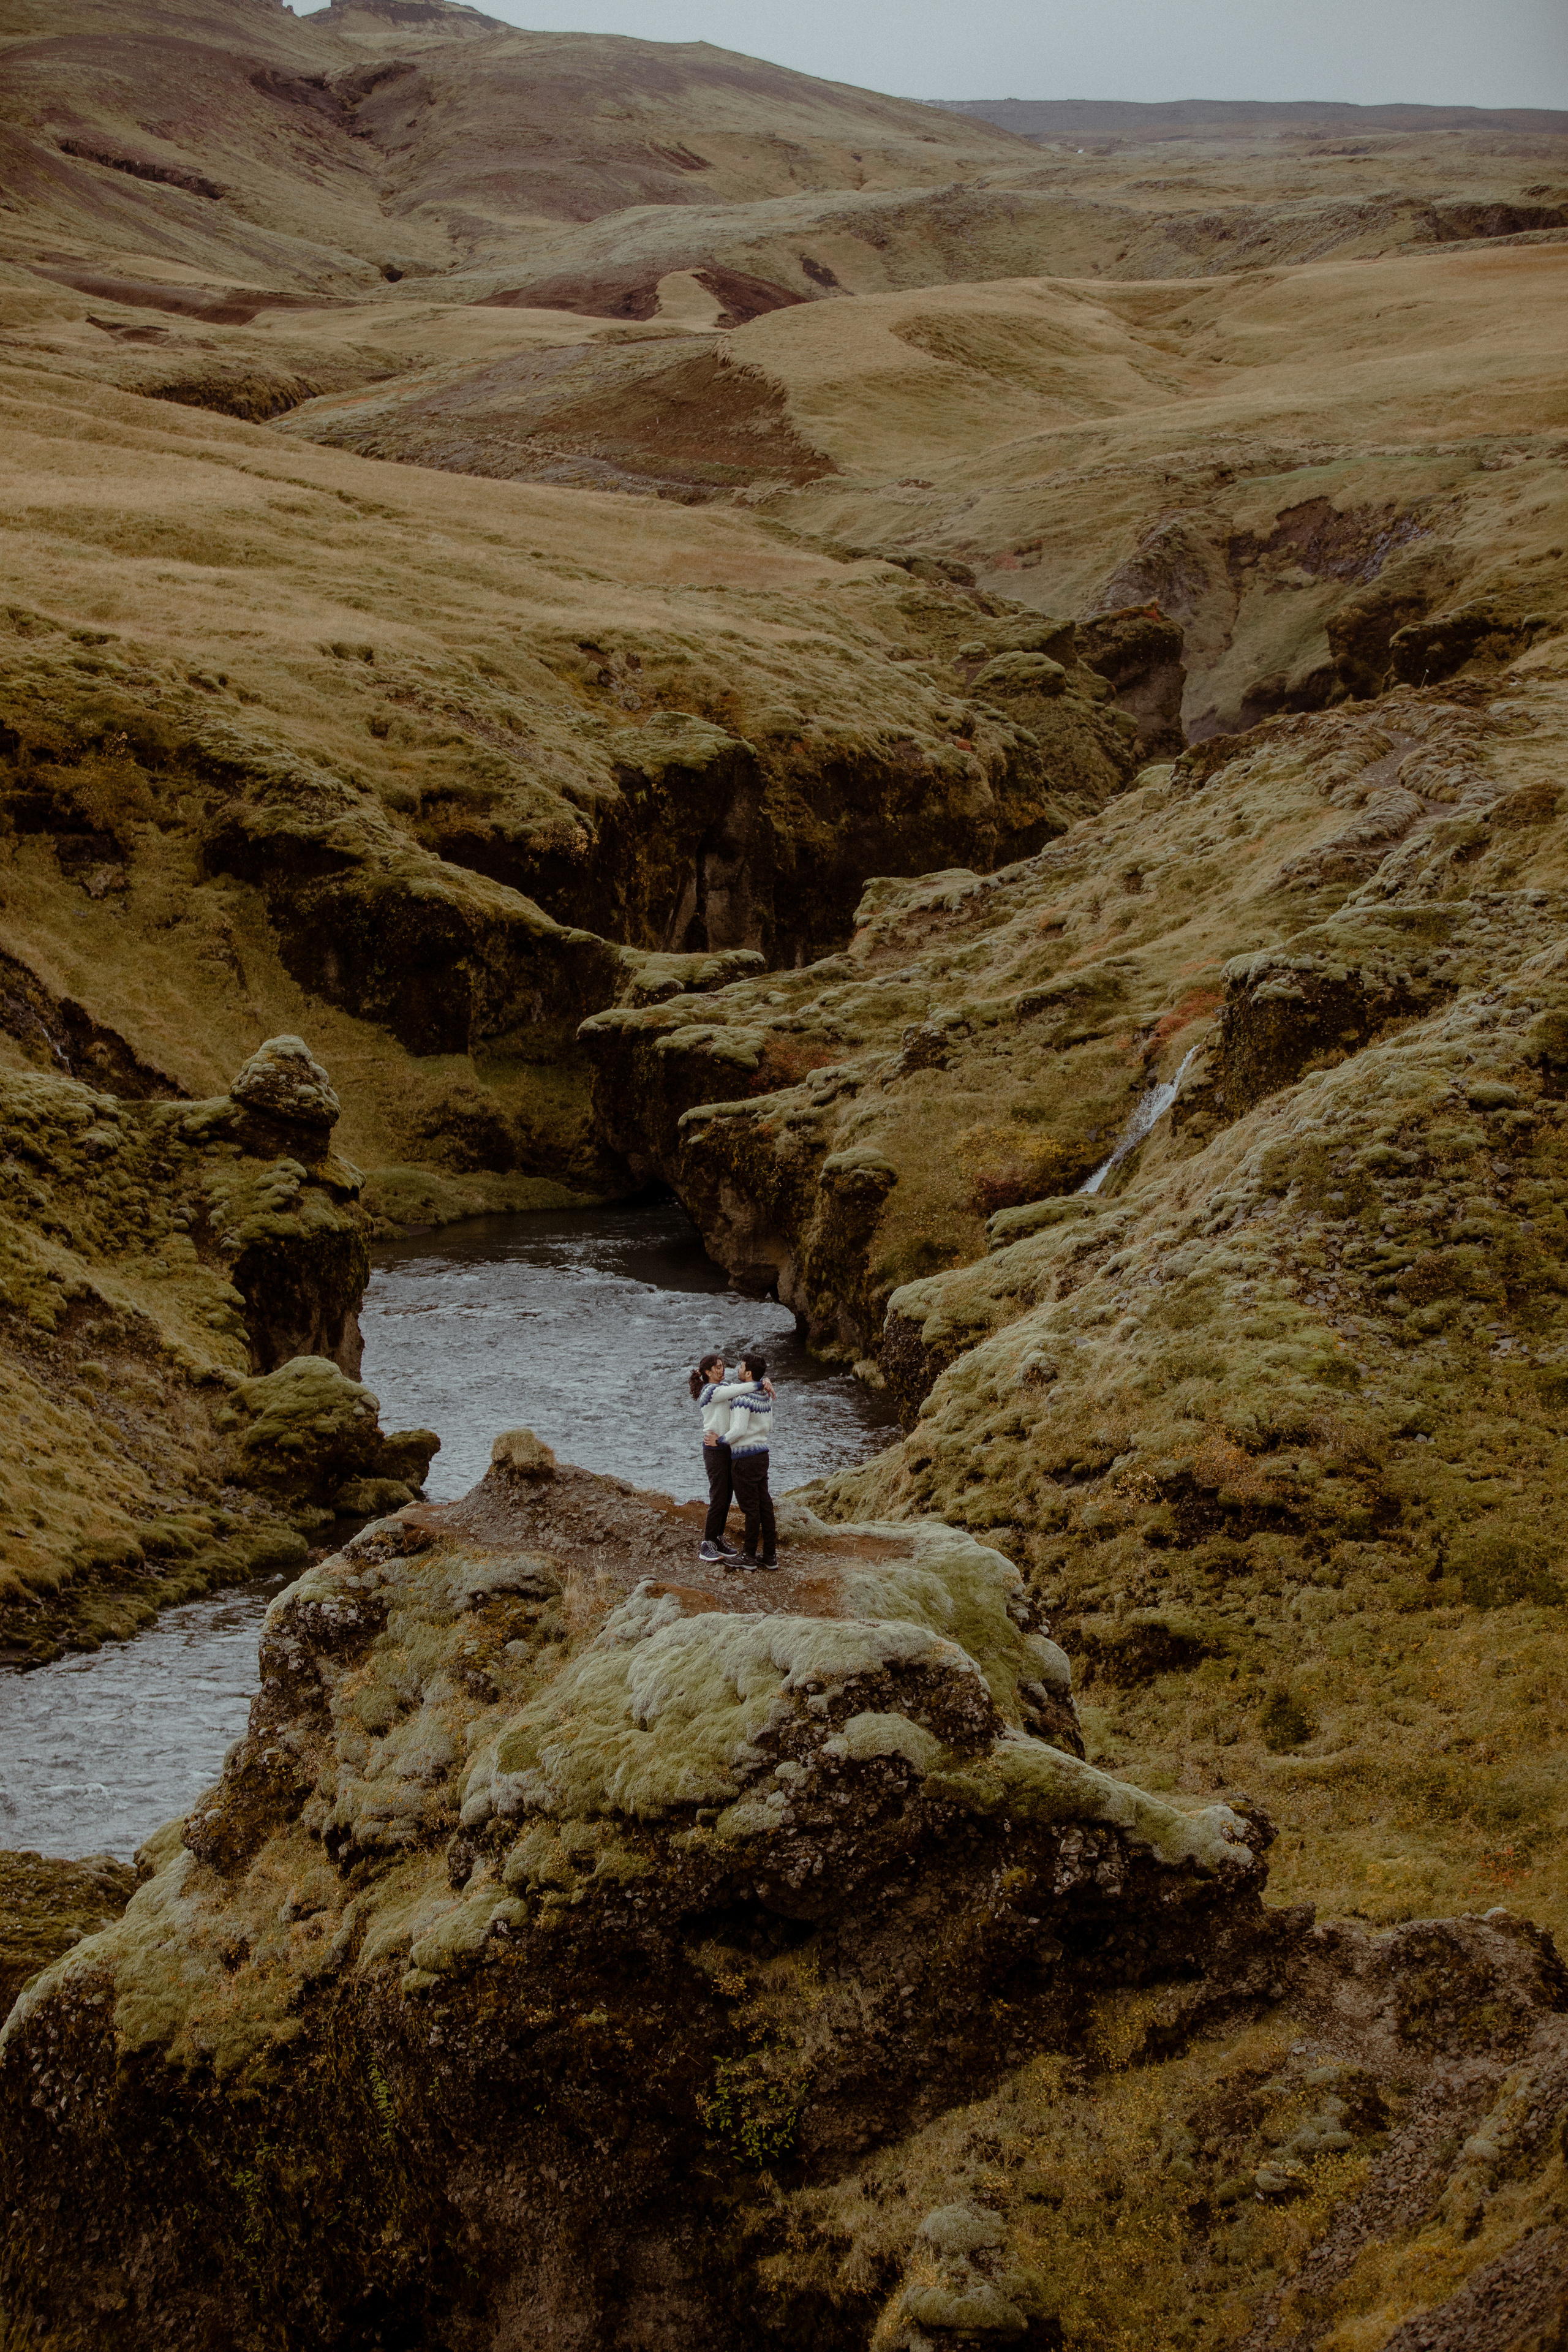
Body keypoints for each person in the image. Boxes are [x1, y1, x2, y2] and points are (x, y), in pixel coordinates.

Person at [725, 1351, 777, 1572]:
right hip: (762, 1455)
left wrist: (720, 1441)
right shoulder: (765, 1395)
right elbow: (770, 1427)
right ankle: (770, 1556)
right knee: (765, 1505)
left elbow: (737, 1431)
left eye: (741, 1366)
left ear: (748, 1373)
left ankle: (748, 1556)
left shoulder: (743, 1398)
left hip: (744, 1458)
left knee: (750, 1508)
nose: (737, 1368)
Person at [690, 1352, 742, 1566]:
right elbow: (738, 1390)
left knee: (727, 1494)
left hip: (724, 1445)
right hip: (713, 1449)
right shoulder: (710, 1391)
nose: (722, 1369)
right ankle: (707, 1544)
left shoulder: (724, 1387)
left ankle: (718, 1539)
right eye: (718, 1367)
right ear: (709, 1372)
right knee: (718, 1495)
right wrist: (759, 1383)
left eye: (723, 1366)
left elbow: (738, 1393)